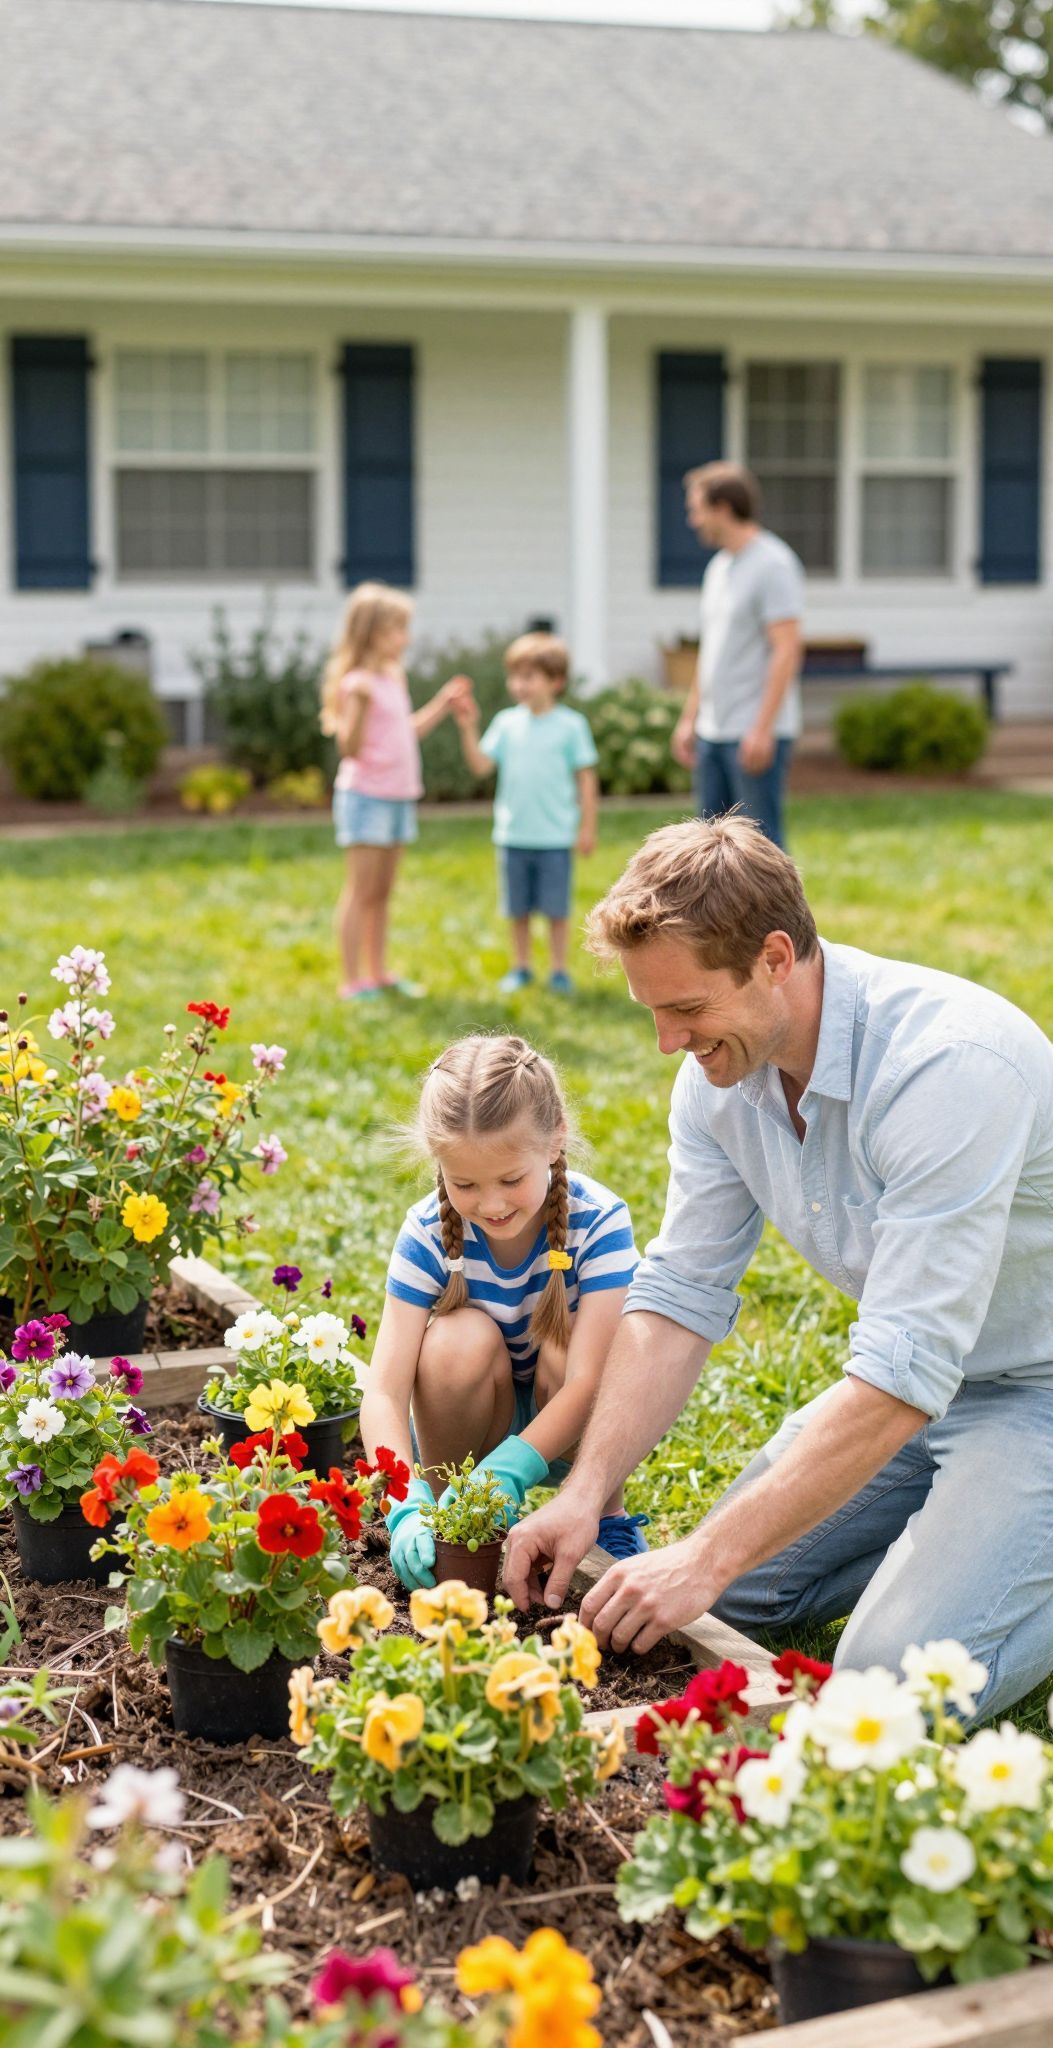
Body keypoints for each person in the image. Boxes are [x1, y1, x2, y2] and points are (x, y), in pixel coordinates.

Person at [503, 816, 1053, 1718]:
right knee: (723, 1604)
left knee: (882, 1693)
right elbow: (679, 1300)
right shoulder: (720, 1083)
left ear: (775, 957)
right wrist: (586, 1492)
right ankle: (982, 1533)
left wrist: (704, 1552)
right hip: (937, 1379)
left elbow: (898, 1374)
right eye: (652, 1010)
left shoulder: (946, 1068)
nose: (666, 1042)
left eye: (686, 1009)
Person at [359, 1033, 650, 1591]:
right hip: (470, 1416)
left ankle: (603, 1512)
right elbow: (383, 1390)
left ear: (556, 1138)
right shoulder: (427, 1232)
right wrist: (403, 1501)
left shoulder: (601, 1222)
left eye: (511, 1180)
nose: (491, 1204)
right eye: (464, 1183)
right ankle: (450, 1517)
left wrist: (512, 1470)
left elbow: (590, 1382)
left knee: (578, 1351)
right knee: (453, 1340)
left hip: (568, 1414)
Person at [320, 583, 472, 999]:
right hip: (366, 798)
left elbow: (405, 733)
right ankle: (352, 981)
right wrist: (361, 706)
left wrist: (442, 703)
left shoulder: (392, 678)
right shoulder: (359, 684)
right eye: (396, 630)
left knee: (383, 892)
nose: (405, 638)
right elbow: (348, 748)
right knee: (360, 890)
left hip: (398, 796)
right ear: (370, 632)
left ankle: (379, 972)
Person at [454, 633, 598, 995]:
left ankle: (559, 970)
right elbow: (480, 765)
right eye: (515, 677)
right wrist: (468, 727)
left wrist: (587, 827)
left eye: (529, 677)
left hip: (554, 838)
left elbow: (586, 780)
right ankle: (520, 968)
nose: (520, 685)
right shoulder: (506, 723)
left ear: (556, 681)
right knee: (516, 909)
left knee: (556, 910)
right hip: (513, 835)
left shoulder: (571, 726)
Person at [671, 462, 804, 850]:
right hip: (714, 731)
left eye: (697, 509)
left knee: (761, 849)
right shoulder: (719, 567)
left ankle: (779, 914)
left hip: (752, 732)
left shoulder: (773, 565)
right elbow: (712, 651)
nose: (692, 520)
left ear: (724, 508)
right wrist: (690, 717)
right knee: (709, 850)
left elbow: (787, 649)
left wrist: (762, 728)